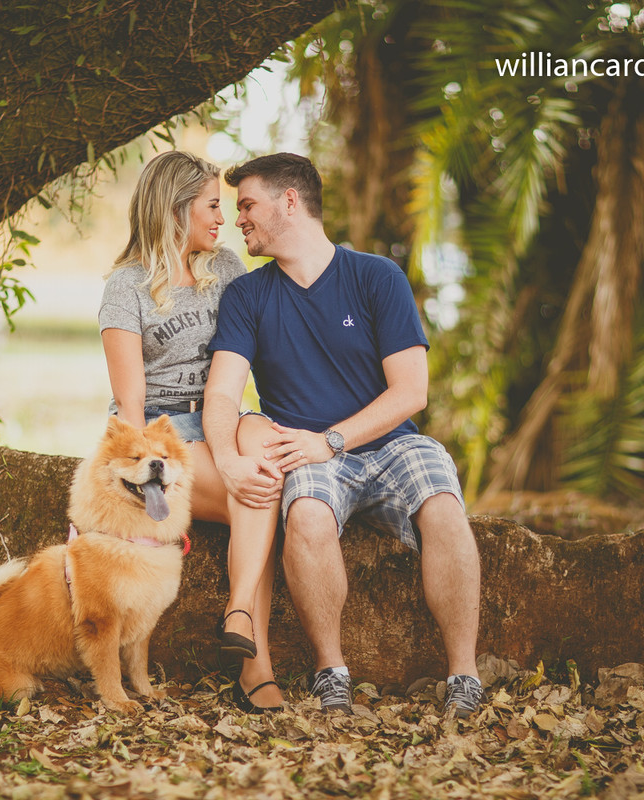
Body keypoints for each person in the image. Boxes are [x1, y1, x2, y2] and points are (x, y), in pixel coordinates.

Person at [202, 153, 485, 719]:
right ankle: (332, 673)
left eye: (248, 205)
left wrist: (331, 439)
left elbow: (411, 392)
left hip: (389, 442)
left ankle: (464, 675)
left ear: (290, 201)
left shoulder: (376, 276)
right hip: (304, 450)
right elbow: (222, 395)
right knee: (305, 516)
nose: (240, 220)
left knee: (444, 506)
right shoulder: (247, 296)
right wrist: (229, 458)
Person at [98, 151, 285, 712]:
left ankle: (240, 615)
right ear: (176, 210)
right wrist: (137, 476)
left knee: (264, 455)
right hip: (164, 429)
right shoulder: (126, 286)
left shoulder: (226, 269)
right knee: (253, 494)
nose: (222, 218)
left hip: (222, 413)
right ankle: (256, 663)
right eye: (211, 205)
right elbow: (130, 403)